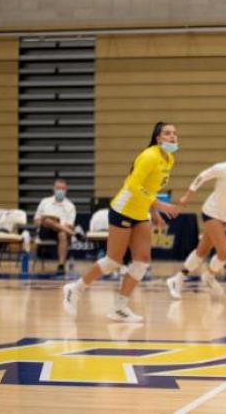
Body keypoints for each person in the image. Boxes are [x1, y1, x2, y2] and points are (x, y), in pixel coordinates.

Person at [62, 122, 179, 323]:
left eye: (175, 134)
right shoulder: (149, 156)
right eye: (167, 133)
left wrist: (154, 212)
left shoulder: (169, 159)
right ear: (158, 138)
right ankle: (74, 289)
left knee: (142, 262)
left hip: (141, 212)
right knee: (112, 261)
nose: (172, 137)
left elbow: (149, 188)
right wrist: (158, 204)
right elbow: (133, 184)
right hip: (123, 209)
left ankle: (119, 307)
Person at [166, 139, 226, 298]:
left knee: (201, 252)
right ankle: (209, 276)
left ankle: (177, 279)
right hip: (211, 212)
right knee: (223, 251)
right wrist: (187, 196)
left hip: (224, 216)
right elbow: (202, 177)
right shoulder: (223, 168)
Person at [34, 178, 77, 276]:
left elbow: (69, 225)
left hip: (62, 231)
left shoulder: (70, 206)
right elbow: (36, 221)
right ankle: (74, 234)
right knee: (47, 220)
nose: (60, 191)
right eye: (58, 188)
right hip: (45, 231)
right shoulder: (45, 202)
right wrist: (44, 222)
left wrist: (56, 225)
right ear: (53, 189)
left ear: (66, 190)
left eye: (62, 188)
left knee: (62, 233)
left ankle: (61, 265)